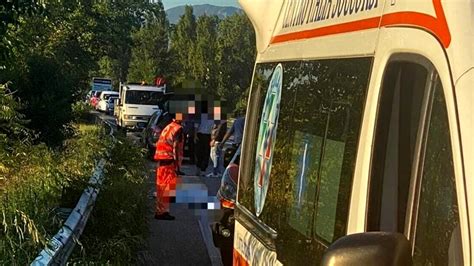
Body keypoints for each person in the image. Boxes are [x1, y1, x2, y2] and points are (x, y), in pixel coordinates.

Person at [154, 114, 184, 220]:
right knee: (167, 187)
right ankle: (162, 212)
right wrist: (177, 165)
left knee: (161, 187)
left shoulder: (169, 126)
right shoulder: (178, 129)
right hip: (168, 160)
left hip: (161, 159)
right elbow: (175, 147)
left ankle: (161, 211)